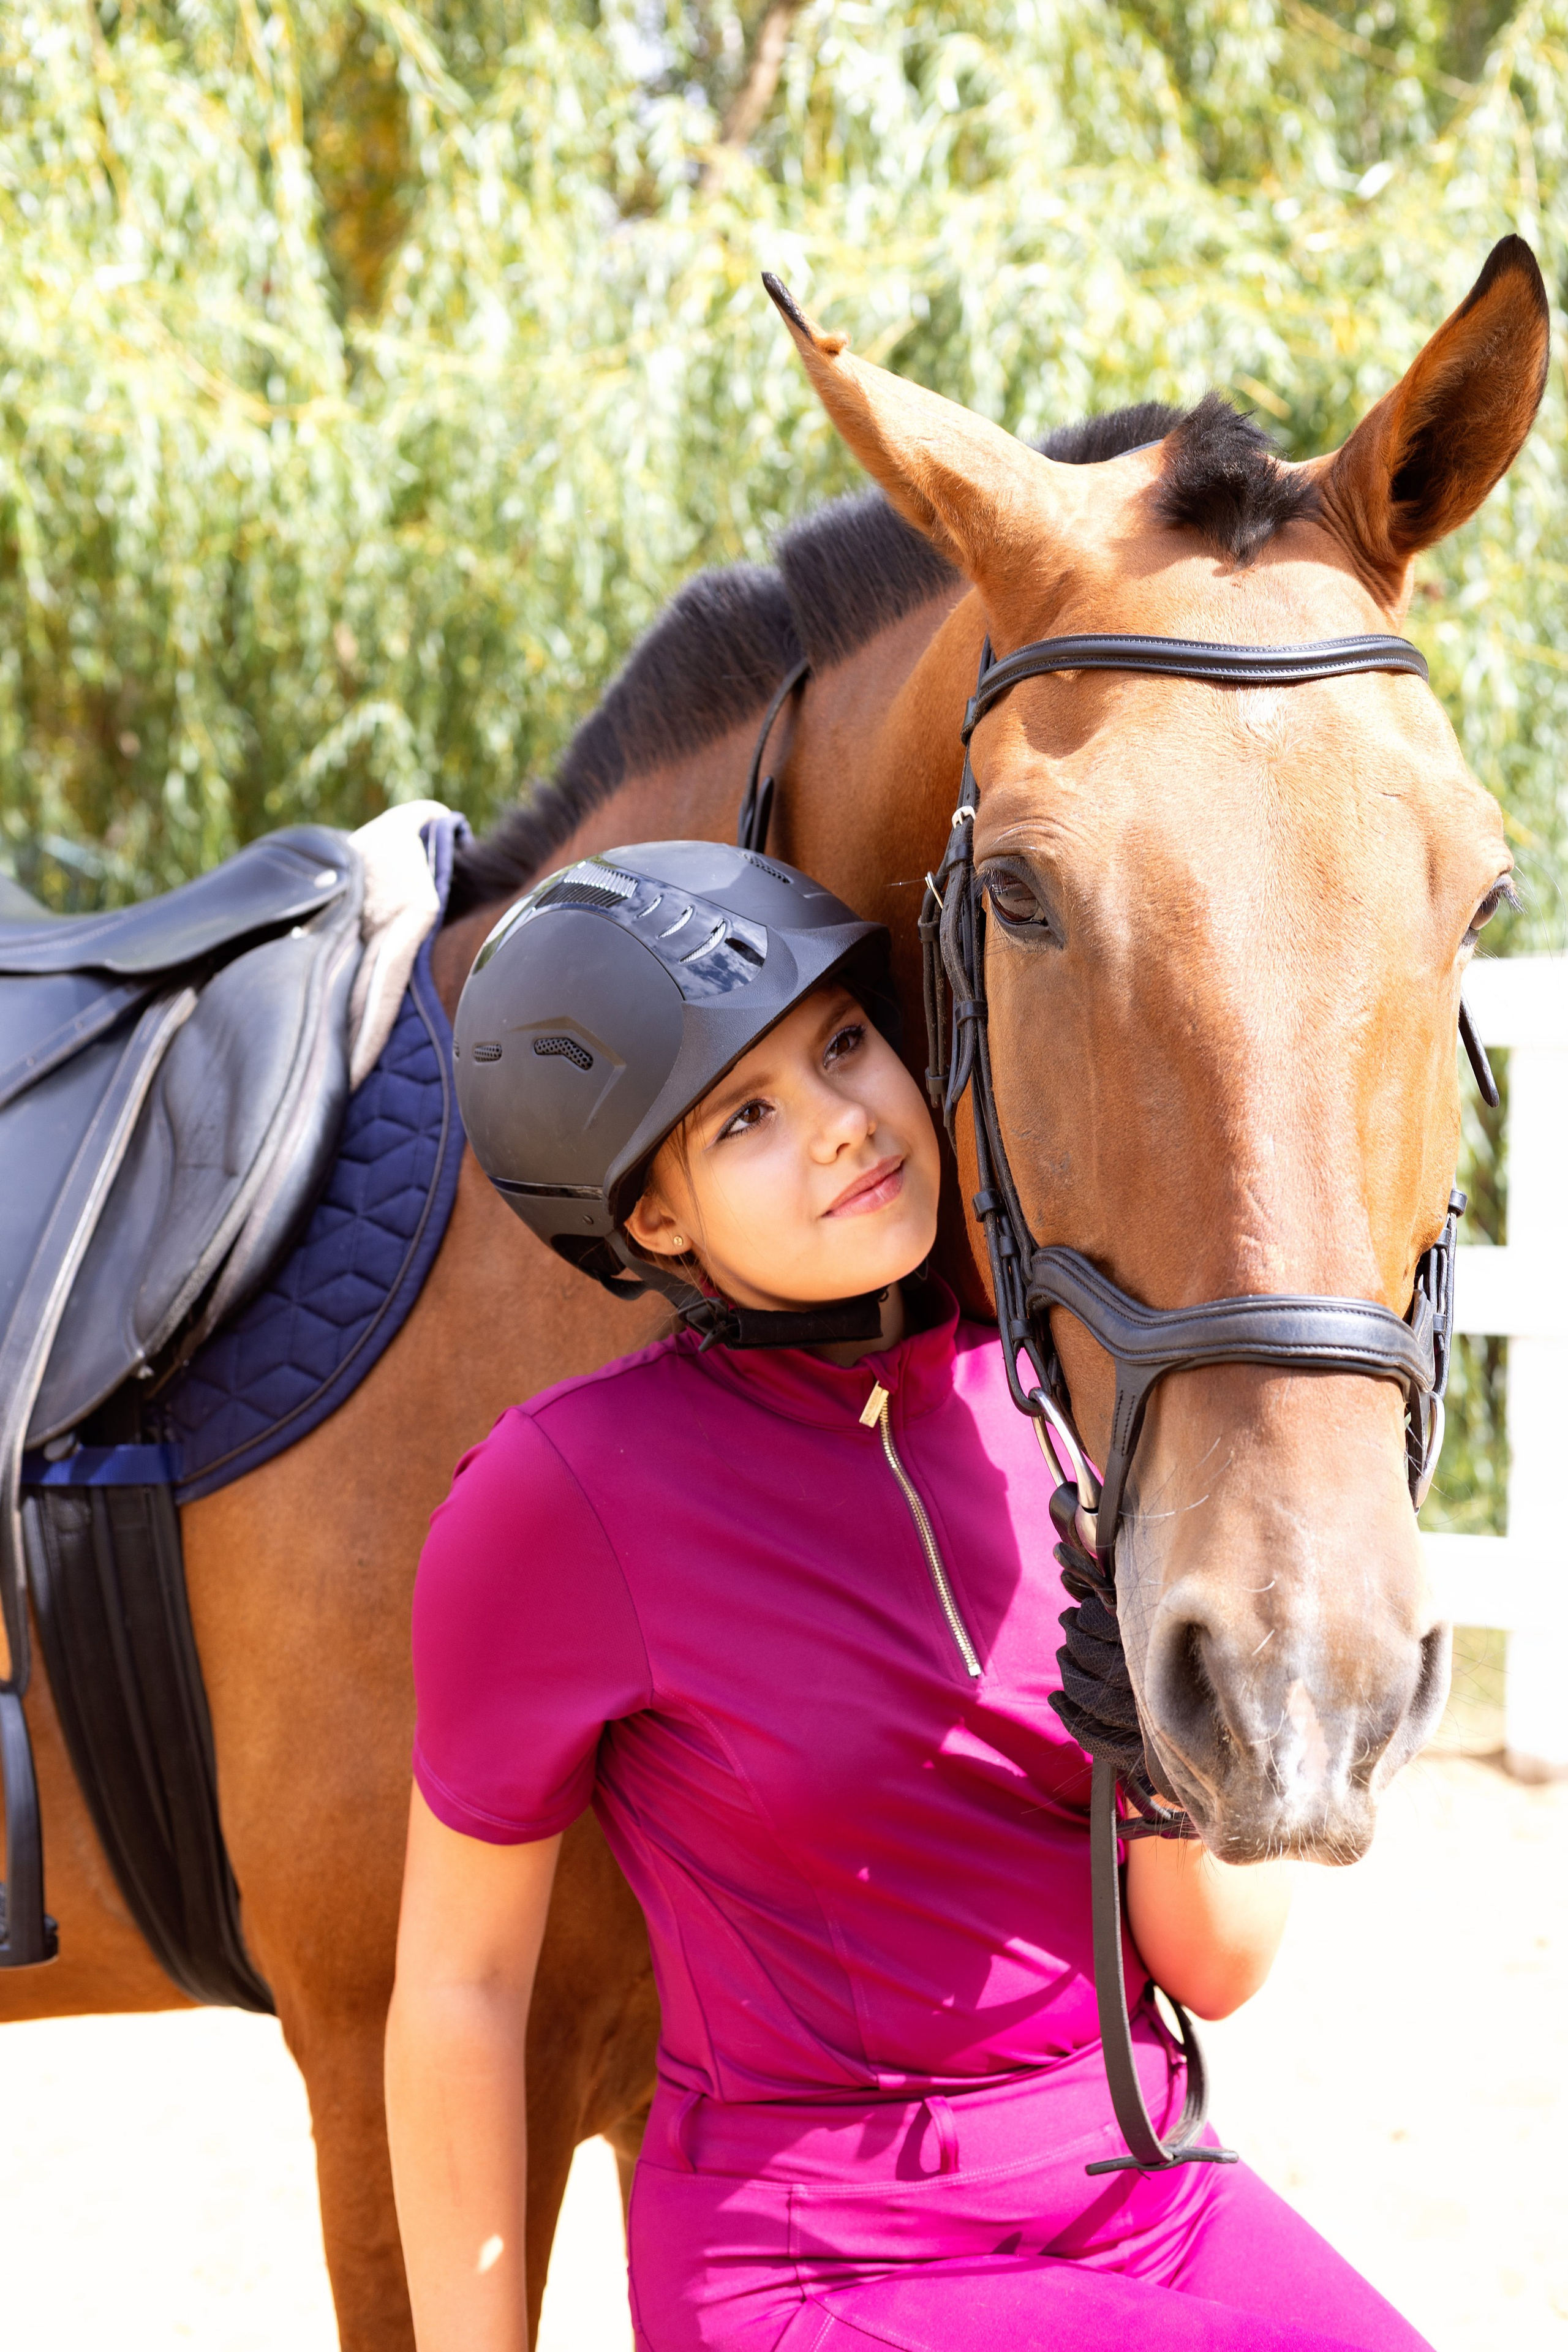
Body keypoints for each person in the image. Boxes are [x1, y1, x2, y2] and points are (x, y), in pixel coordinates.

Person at [385, 841, 1430, 2352]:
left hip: (1142, 2188)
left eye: (840, 1044)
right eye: (744, 1116)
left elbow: (1218, 1966)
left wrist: (1151, 1770)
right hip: (819, 2255)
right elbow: (464, 1985)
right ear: (654, 1221)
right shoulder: (559, 1500)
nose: (839, 1127)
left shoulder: (1070, 1406)